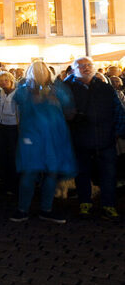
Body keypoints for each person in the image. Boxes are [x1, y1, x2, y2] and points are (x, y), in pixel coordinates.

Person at [11, 61, 73, 223]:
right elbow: (18, 100)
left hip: (54, 138)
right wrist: (32, 94)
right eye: (35, 70)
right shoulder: (24, 90)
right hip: (31, 138)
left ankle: (46, 209)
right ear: (29, 73)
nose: (39, 73)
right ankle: (22, 208)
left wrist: (55, 98)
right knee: (29, 172)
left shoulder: (56, 89)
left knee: (51, 172)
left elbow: (68, 106)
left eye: (42, 70)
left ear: (48, 73)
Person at [63, 56, 123, 221]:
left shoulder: (105, 87)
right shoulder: (67, 88)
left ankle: (108, 205)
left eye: (88, 65)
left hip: (106, 139)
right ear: (74, 69)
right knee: (82, 173)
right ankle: (85, 203)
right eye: (81, 66)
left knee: (108, 174)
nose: (85, 68)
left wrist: (117, 131)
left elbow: (118, 110)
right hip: (80, 139)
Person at [0, 71, 18, 195]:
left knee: (13, 156)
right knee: (2, 156)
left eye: (5, 80)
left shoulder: (17, 94)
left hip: (14, 127)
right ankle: (6, 183)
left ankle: (14, 184)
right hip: (1, 126)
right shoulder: (0, 93)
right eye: (0, 81)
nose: (3, 83)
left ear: (11, 79)